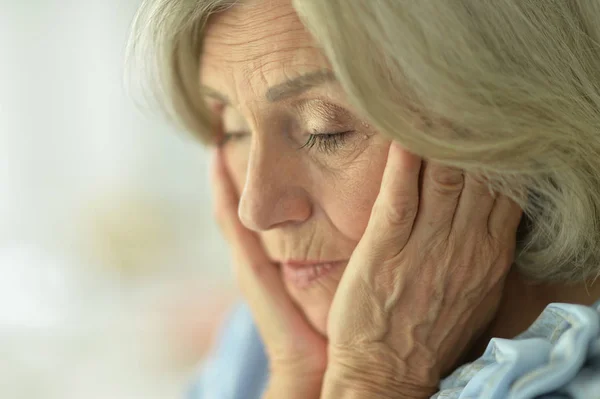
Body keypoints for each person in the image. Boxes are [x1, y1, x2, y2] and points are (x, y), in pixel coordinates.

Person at [128, 0, 600, 397]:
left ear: (502, 123)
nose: (254, 210)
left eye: (324, 130)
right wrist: (294, 375)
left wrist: (372, 378)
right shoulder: (268, 336)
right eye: (235, 130)